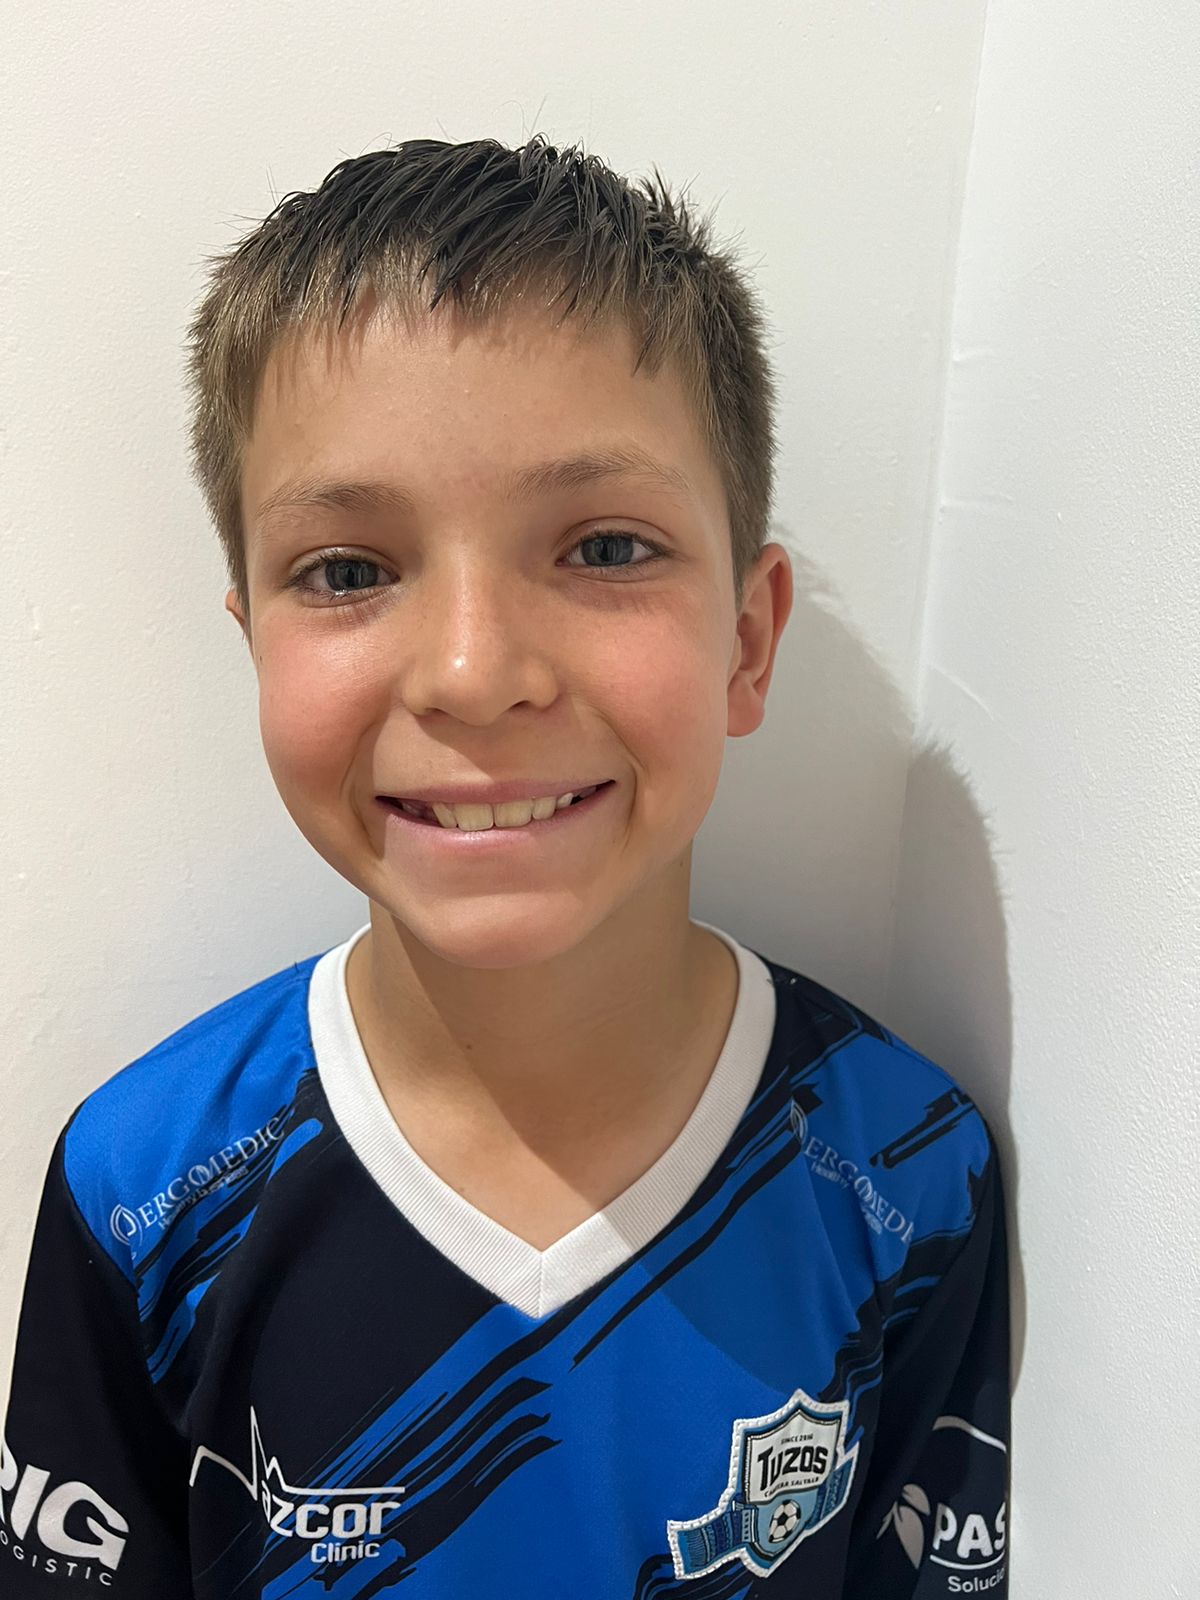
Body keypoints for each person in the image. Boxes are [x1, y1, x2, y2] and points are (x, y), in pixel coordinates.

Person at [0, 136, 1010, 1597]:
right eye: (349, 571)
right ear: (254, 643)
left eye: (604, 548)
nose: (474, 675)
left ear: (746, 640)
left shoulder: (908, 1175)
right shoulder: (145, 1188)